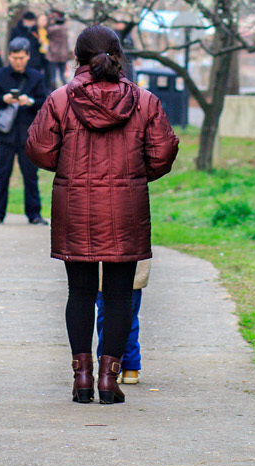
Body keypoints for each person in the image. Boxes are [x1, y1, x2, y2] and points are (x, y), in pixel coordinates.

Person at [24, 24, 179, 405]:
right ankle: (110, 380)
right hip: (125, 209)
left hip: (74, 206)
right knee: (119, 295)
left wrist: (72, 167)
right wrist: (133, 174)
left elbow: (39, 149)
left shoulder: (60, 100)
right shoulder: (144, 101)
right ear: (119, 55)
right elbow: (162, 154)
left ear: (78, 58)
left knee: (79, 291)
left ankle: (81, 378)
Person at [0, 41, 50, 225]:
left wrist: (29, 101)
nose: (18, 61)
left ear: (28, 55)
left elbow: (43, 101)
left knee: (30, 175)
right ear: (9, 56)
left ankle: (34, 214)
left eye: (21, 58)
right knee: (2, 174)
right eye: (14, 58)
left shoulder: (36, 76)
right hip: (4, 134)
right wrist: (4, 99)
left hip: (28, 134)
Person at [93, 257, 149, 384]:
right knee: (129, 316)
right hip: (132, 260)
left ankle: (108, 367)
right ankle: (131, 368)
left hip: (104, 263)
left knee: (107, 317)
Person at [44, 10, 72, 87]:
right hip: (63, 55)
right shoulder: (65, 29)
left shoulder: (52, 29)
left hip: (53, 55)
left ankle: (53, 92)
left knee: (53, 77)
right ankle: (67, 90)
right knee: (62, 76)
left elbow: (47, 34)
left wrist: (50, 21)